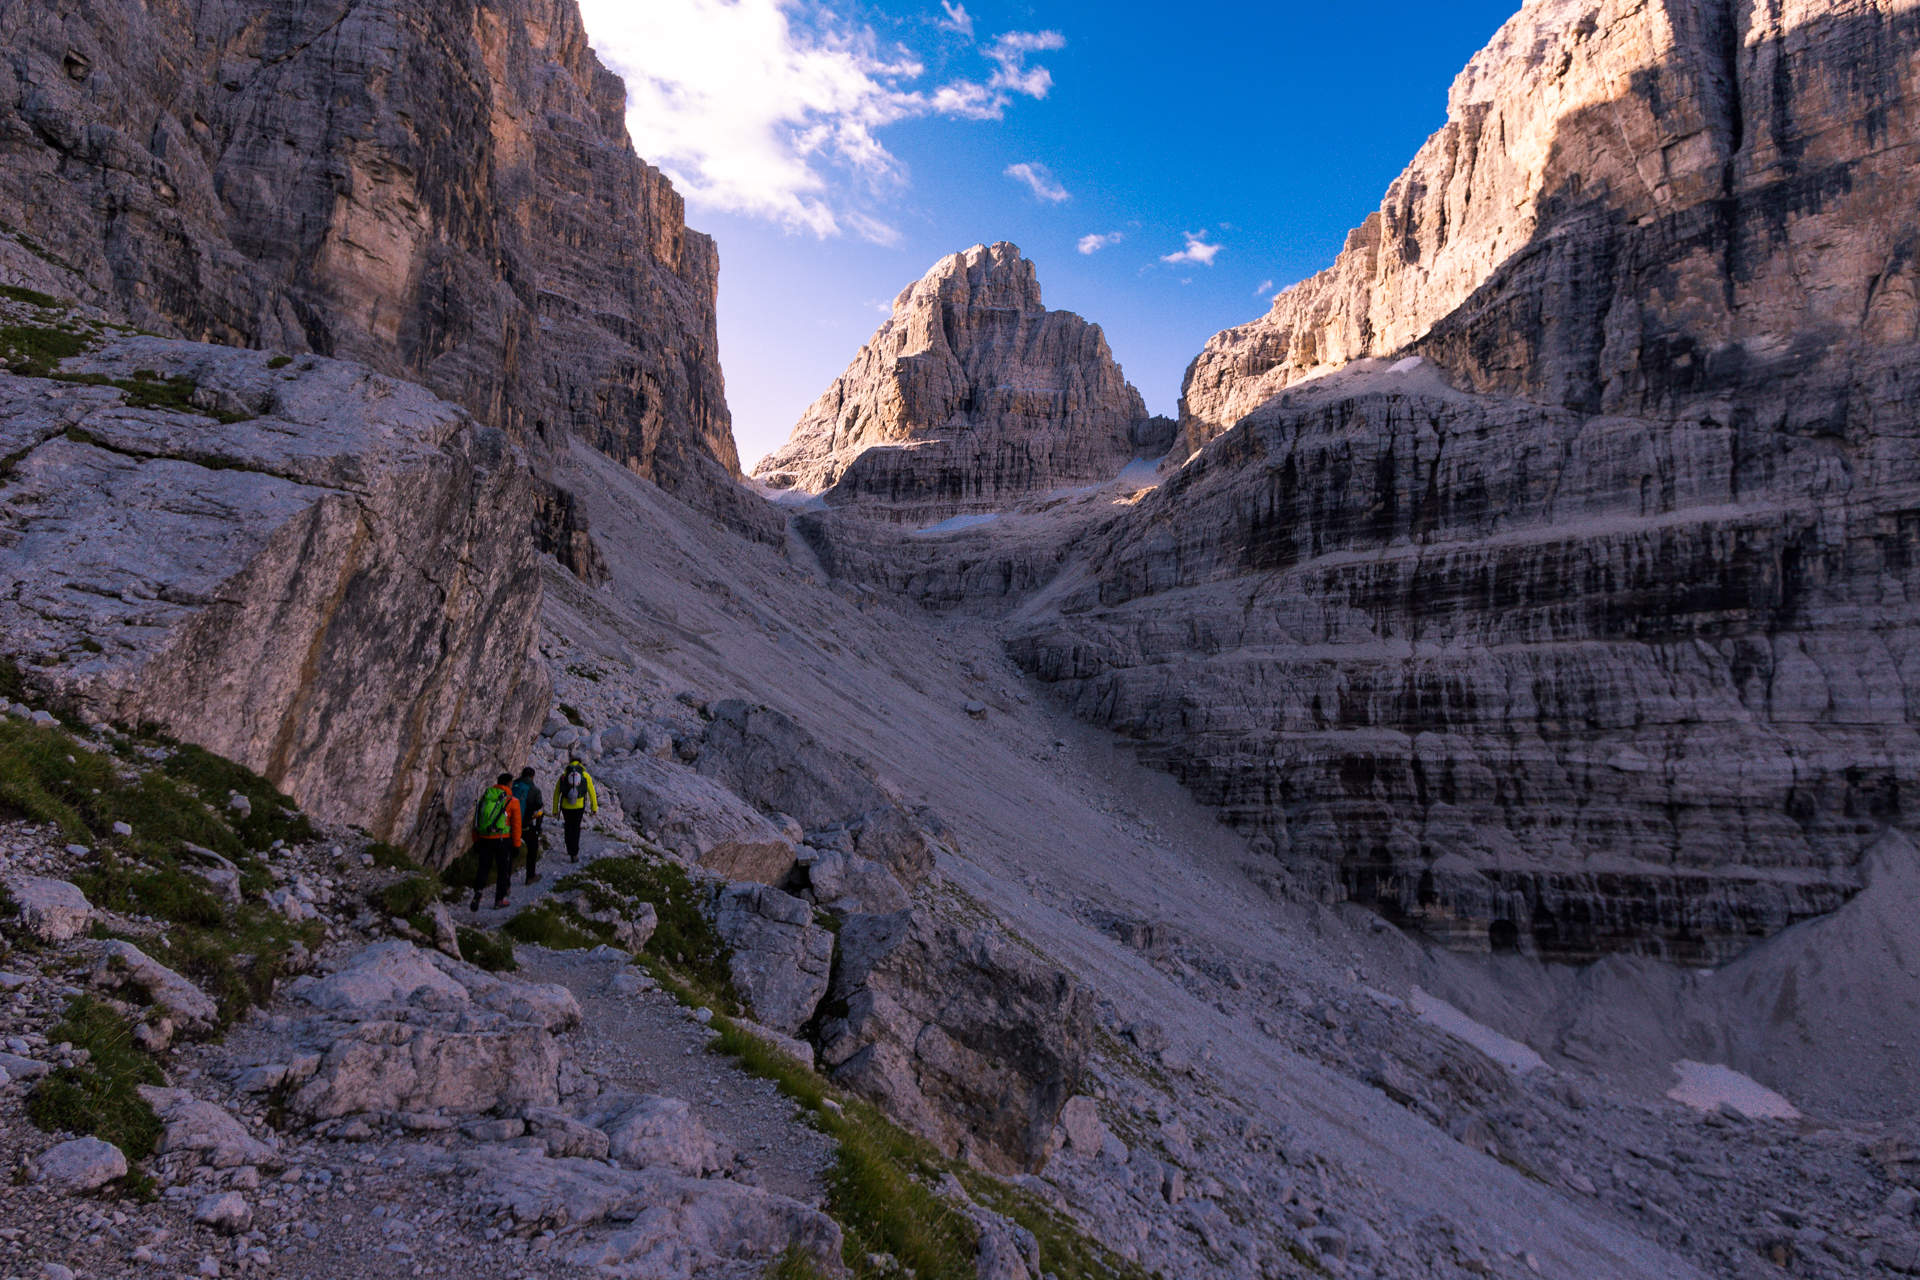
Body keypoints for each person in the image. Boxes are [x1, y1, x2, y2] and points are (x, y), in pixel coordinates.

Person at [470, 772, 522, 912]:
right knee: (502, 870)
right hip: (502, 839)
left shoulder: (485, 798)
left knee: (483, 867)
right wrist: (516, 844)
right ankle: (499, 900)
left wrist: (476, 840)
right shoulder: (512, 801)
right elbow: (516, 825)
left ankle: (478, 891)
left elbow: (476, 821)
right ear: (509, 784)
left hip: (484, 839)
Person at [551, 756, 598, 863]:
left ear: (570, 763)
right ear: (580, 764)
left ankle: (568, 847)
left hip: (565, 806)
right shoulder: (585, 775)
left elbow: (556, 793)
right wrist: (594, 807)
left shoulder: (564, 775)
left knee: (568, 826)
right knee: (576, 828)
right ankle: (574, 854)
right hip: (579, 806)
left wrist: (555, 810)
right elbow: (592, 793)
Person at [511, 766, 546, 885]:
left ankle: (505, 883)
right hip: (526, 825)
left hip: (510, 825)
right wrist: (538, 827)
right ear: (533, 777)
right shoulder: (534, 790)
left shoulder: (513, 786)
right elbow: (539, 808)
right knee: (533, 848)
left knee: (509, 852)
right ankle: (530, 876)